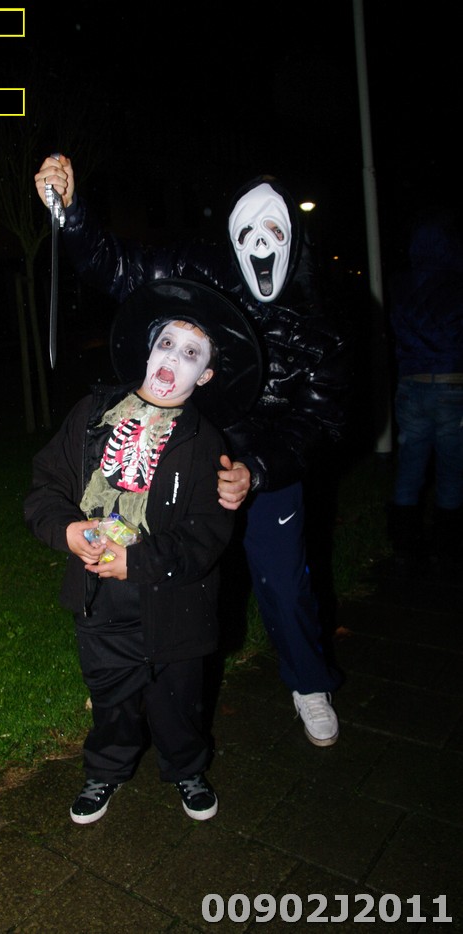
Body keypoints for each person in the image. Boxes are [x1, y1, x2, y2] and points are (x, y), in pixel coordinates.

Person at [34, 155, 352, 747]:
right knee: (163, 572)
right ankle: (140, 687)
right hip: (181, 456)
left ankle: (309, 683)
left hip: (263, 470)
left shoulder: (316, 326)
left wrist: (259, 470)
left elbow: (321, 422)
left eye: (274, 229)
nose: (260, 243)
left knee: (284, 585)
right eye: (248, 230)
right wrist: (72, 213)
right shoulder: (199, 270)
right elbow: (119, 267)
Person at [24, 278, 263, 824]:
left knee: (178, 698)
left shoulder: (204, 441)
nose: (172, 359)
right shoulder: (93, 414)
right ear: (148, 350)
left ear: (205, 375)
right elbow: (46, 486)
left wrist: (141, 561)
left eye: (191, 354)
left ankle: (186, 768)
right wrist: (66, 531)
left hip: (174, 601)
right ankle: (104, 770)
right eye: (166, 344)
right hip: (99, 599)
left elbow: (207, 532)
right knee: (110, 697)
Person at [386, 206, 463, 578]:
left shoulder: (401, 285)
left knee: (410, 467)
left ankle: (405, 548)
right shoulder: (456, 285)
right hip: (453, 384)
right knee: (452, 471)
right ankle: (447, 551)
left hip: (411, 384)